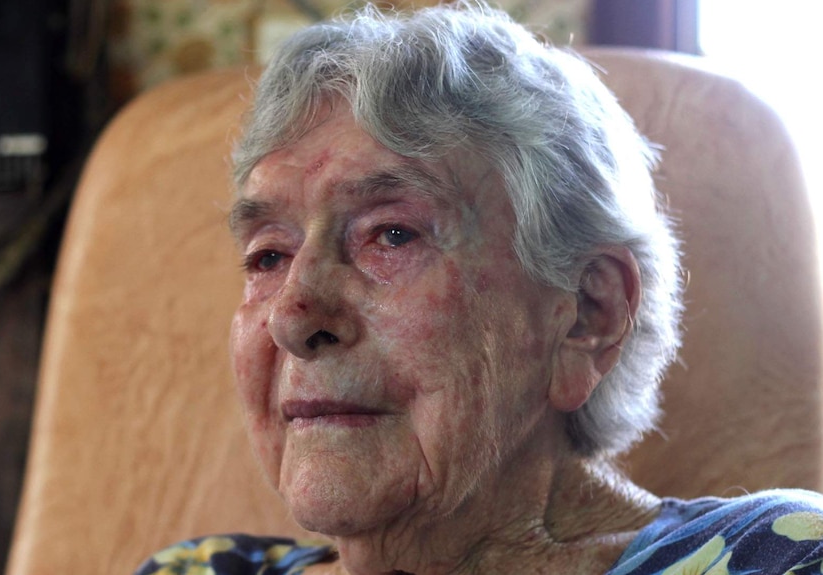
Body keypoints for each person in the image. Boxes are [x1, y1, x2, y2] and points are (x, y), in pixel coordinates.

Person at [136, 3, 823, 574]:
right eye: (267, 255)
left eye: (392, 235)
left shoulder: (778, 557)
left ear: (588, 314)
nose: (292, 314)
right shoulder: (196, 568)